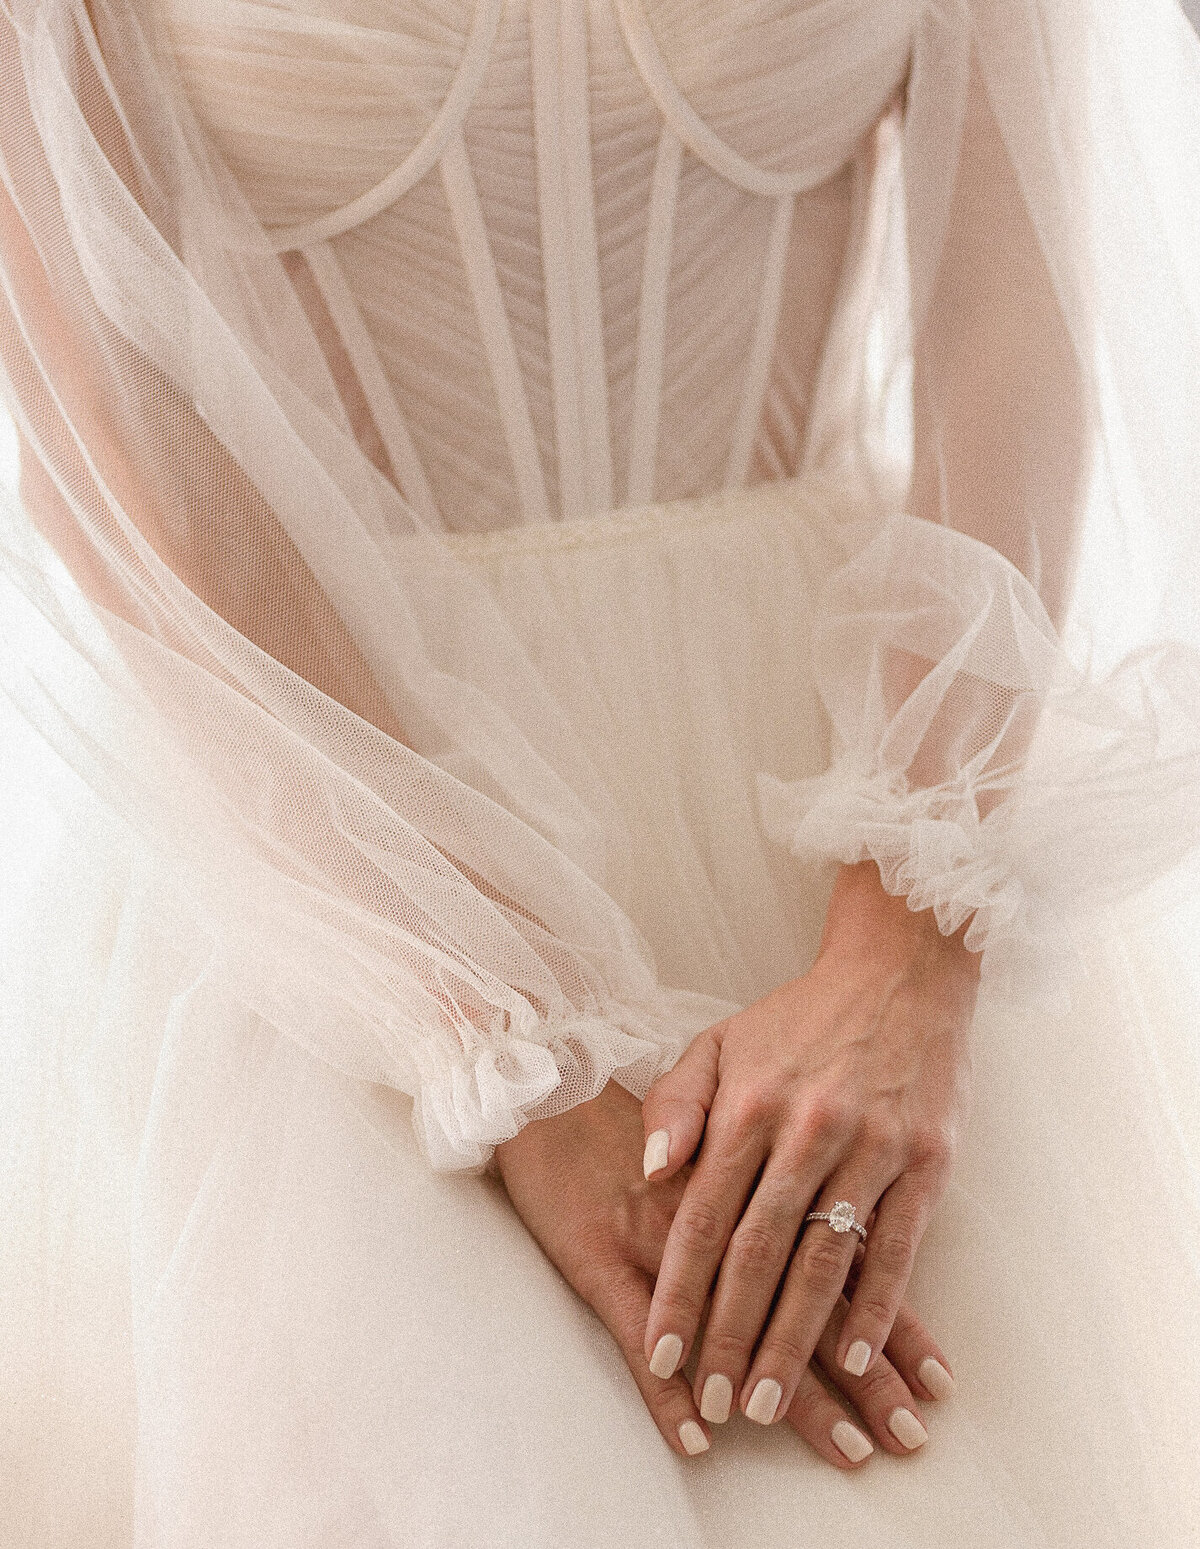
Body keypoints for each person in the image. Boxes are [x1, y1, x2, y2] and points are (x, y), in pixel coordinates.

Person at [2, 1, 1199, 1544]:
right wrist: (494, 1027)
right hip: (335, 856)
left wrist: (913, 936)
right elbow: (112, 405)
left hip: (853, 809)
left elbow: (1010, 324)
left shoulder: (903, 903)